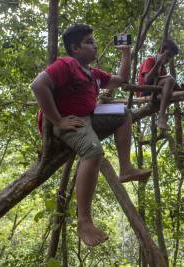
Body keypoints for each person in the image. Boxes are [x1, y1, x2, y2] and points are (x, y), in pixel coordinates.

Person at [31, 24, 151, 246]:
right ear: (75, 48)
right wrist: (58, 120)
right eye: (89, 42)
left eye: (93, 42)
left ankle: (125, 169)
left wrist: (126, 53)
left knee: (124, 112)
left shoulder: (93, 73)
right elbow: (39, 85)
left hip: (88, 115)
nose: (94, 46)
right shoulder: (67, 64)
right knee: (93, 151)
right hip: (69, 120)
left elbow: (121, 80)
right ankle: (84, 221)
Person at [138, 40, 184, 133]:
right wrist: (158, 63)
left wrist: (176, 86)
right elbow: (147, 80)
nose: (169, 59)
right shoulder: (150, 60)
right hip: (146, 91)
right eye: (168, 55)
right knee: (170, 79)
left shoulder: (163, 68)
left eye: (171, 57)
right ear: (160, 52)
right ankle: (161, 117)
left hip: (158, 91)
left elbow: (165, 84)